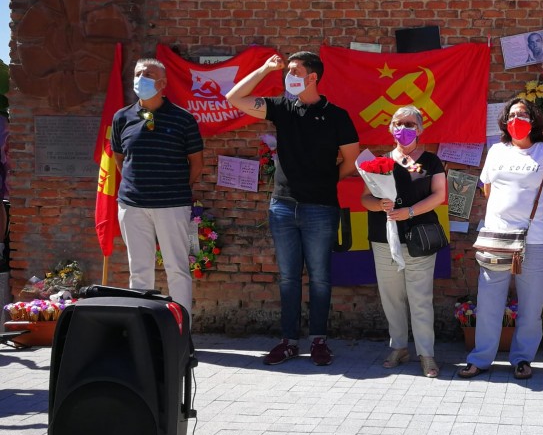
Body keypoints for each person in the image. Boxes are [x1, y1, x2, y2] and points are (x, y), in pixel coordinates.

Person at [226, 52, 359, 366]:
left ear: (312, 77)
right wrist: (264, 69)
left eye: (294, 71)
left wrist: (326, 181)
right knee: (288, 278)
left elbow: (351, 159)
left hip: (321, 207)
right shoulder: (283, 108)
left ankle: (318, 340)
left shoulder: (337, 115)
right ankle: (288, 341)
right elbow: (235, 98)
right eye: (287, 72)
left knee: (320, 278)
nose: (288, 75)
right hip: (283, 206)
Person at [458, 98, 543, 380]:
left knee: (531, 307)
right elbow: (488, 190)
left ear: (534, 120)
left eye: (522, 114)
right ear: (505, 121)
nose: (516, 119)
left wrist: (539, 222)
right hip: (497, 238)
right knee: (488, 303)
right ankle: (481, 358)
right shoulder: (496, 151)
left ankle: (522, 359)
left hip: (536, 243)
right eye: (511, 115)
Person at [112, 58, 204, 318]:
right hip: (132, 206)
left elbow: (196, 163)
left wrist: (172, 187)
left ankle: (180, 330)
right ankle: (142, 327)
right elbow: (120, 159)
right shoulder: (122, 117)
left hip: (172, 205)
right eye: (138, 73)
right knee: (139, 270)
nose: (141, 78)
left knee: (177, 269)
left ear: (162, 83)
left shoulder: (183, 119)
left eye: (148, 74)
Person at [360, 106, 446, 378]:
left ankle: (426, 354)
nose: (403, 128)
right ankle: (399, 347)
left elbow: (438, 195)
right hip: (384, 237)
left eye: (410, 123)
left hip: (418, 234)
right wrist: (378, 204)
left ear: (420, 129)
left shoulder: (430, 161)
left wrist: (408, 211)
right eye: (398, 123)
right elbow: (365, 198)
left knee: (420, 297)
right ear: (390, 128)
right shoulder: (378, 162)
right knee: (391, 297)